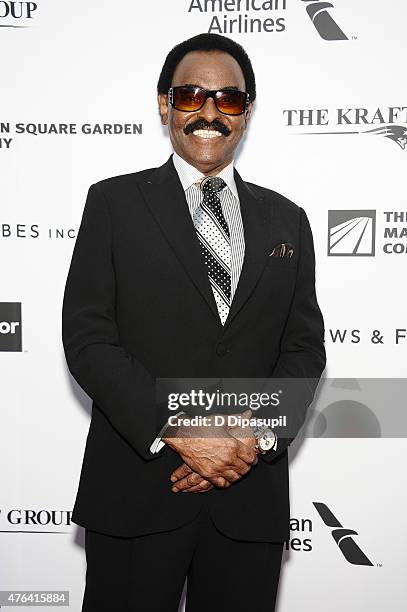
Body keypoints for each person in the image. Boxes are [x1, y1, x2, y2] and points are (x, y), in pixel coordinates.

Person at [62, 32, 326, 612]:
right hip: (137, 490)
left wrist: (249, 442)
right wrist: (184, 432)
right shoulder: (113, 204)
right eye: (191, 96)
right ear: (165, 105)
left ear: (247, 111)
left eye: (229, 99)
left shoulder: (288, 220)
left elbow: (303, 350)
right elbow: (89, 339)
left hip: (247, 498)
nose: (209, 112)